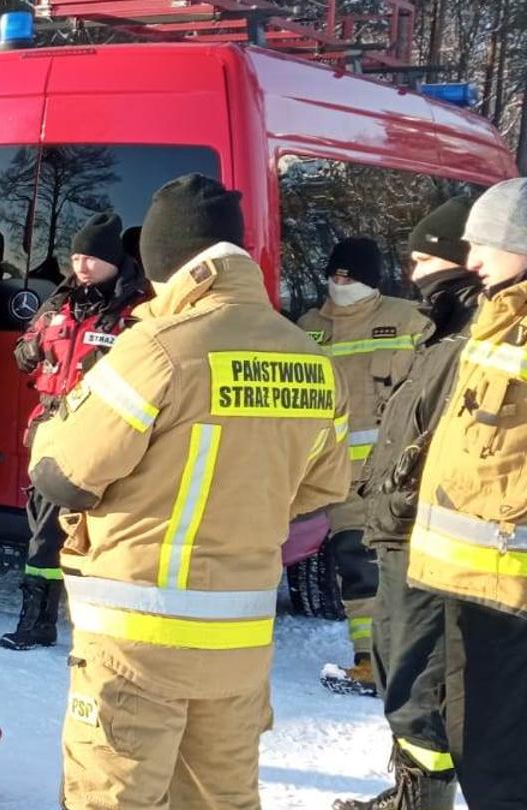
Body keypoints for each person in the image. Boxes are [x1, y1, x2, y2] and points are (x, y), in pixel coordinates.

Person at [31, 174, 351, 808]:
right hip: (240, 643)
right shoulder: (311, 359)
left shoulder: (157, 348)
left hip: (137, 641)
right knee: (222, 799)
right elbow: (318, 494)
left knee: (115, 795)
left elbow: (63, 474)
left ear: (166, 259)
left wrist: (50, 425)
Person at [333, 199, 475, 810]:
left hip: (433, 533)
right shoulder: (442, 328)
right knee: (402, 667)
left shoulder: (465, 335)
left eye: (422, 257)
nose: (413, 271)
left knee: (425, 679)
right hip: (397, 525)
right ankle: (412, 790)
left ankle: (425, 800)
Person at [406, 178, 527, 807]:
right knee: (480, 755)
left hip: (512, 594)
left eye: (486, 243)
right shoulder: (498, 323)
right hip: (472, 586)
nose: (471, 259)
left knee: (505, 769)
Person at [2, 212, 147, 650]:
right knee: (44, 526)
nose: (81, 266)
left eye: (91, 259)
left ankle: (72, 621)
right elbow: (27, 351)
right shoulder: (61, 305)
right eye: (76, 257)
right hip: (52, 429)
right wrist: (29, 347)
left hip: (103, 432)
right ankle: (41, 618)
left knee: (103, 533)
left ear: (114, 262)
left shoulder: (134, 313)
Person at [297, 236, 431, 695]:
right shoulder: (308, 326)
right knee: (356, 567)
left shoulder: (407, 320)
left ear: (371, 280)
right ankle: (369, 661)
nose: (341, 284)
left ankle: (411, 661)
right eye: (334, 277)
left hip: (394, 475)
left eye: (349, 277)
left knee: (400, 568)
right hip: (333, 478)